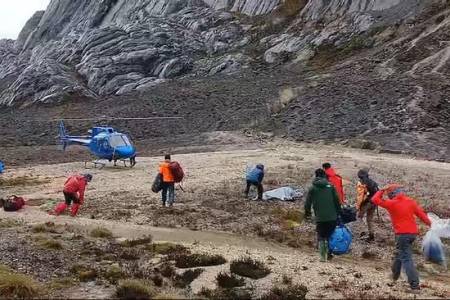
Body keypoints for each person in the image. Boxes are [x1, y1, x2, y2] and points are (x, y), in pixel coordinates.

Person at [371, 184, 431, 292]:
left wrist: (381, 190)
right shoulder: (410, 201)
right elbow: (422, 215)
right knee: (399, 253)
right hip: (413, 233)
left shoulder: (391, 203)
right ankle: (394, 276)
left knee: (406, 258)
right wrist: (431, 225)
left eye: (389, 194)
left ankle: (415, 286)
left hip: (402, 234)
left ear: (391, 194)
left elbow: (375, 199)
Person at [305, 169, 342, 262]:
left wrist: (307, 213)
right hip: (332, 216)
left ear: (315, 176)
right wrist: (339, 212)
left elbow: (307, 203)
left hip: (320, 217)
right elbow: (337, 201)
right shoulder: (331, 186)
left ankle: (322, 256)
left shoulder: (312, 188)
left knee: (321, 235)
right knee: (330, 235)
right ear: (324, 176)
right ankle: (329, 254)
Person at [356, 169, 379, 242]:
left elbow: (361, 196)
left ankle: (362, 232)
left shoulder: (362, 183)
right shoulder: (373, 182)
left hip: (366, 203)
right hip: (374, 202)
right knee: (369, 219)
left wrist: (358, 206)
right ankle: (371, 235)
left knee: (359, 217)